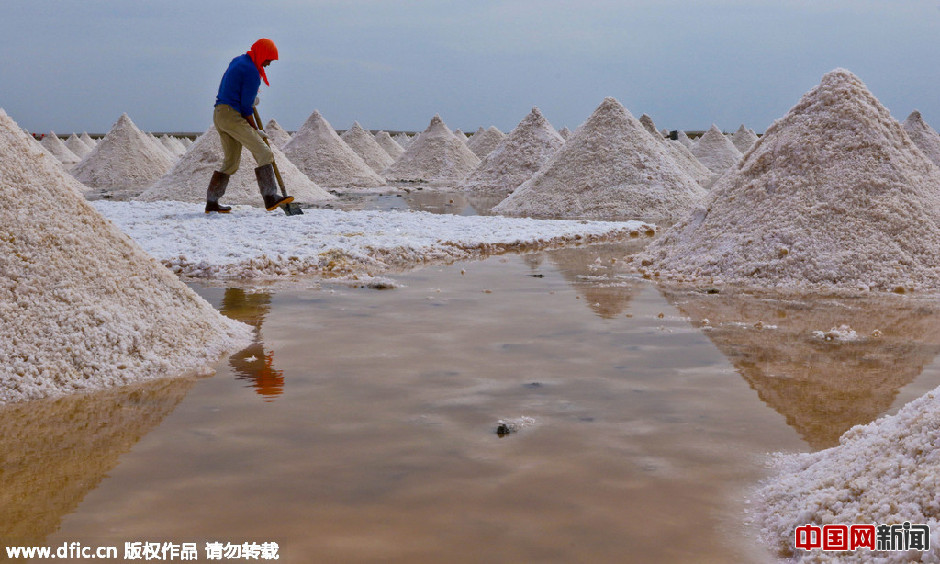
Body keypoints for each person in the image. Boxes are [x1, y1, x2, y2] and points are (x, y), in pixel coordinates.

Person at [205, 38, 293, 213]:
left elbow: (234, 88)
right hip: (232, 115)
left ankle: (212, 202)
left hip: (219, 114)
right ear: (262, 54)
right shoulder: (252, 71)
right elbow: (246, 108)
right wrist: (256, 130)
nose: (268, 64)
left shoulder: (239, 60)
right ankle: (270, 197)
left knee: (231, 162)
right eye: (268, 59)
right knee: (264, 153)